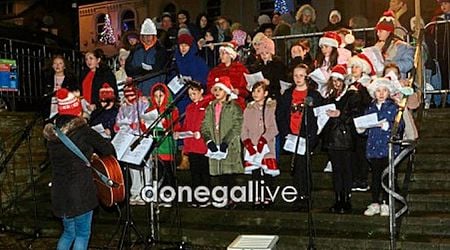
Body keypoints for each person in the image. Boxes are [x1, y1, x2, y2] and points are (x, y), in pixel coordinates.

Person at [43, 88, 115, 250]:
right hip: (80, 191)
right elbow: (108, 149)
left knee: (69, 233)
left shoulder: (52, 135)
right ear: (76, 110)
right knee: (82, 234)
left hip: (60, 192)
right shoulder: (83, 131)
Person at [276, 64, 322, 210]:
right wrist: (286, 133)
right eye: (296, 75)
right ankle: (298, 194)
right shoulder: (288, 94)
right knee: (296, 167)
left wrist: (312, 136)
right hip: (292, 135)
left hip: (307, 135)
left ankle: (306, 195)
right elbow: (280, 115)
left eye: (301, 75)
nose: (298, 78)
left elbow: (319, 117)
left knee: (304, 166)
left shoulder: (313, 95)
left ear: (307, 77)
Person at [360, 77, 403, 216]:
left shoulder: (393, 107)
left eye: (384, 90)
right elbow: (366, 127)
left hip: (387, 147)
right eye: (378, 90)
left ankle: (386, 202)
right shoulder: (370, 108)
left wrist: (388, 126)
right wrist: (362, 128)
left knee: (387, 176)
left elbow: (400, 126)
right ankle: (375, 202)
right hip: (373, 148)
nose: (381, 93)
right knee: (375, 177)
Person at [321, 65, 360, 213]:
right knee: (337, 171)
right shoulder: (330, 96)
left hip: (345, 138)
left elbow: (355, 115)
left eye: (339, 80)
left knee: (346, 170)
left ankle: (346, 199)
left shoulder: (352, 95)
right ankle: (338, 199)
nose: (336, 83)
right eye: (334, 80)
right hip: (332, 138)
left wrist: (340, 115)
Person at [201, 76, 243, 209]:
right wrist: (209, 141)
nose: (217, 92)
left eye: (220, 89)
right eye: (215, 89)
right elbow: (204, 126)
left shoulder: (234, 107)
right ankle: (223, 196)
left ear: (226, 91)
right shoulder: (210, 108)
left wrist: (225, 142)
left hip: (229, 144)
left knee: (229, 173)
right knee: (219, 174)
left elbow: (237, 126)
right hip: (215, 143)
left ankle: (232, 198)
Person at [173, 33, 210, 170]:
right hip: (180, 97)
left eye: (186, 45)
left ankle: (189, 157)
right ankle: (183, 157)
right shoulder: (175, 61)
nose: (183, 48)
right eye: (181, 45)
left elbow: (203, 77)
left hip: (193, 97)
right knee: (182, 125)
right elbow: (171, 75)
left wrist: (193, 82)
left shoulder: (197, 61)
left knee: (192, 126)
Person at [241, 81, 279, 208]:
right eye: (254, 91)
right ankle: (257, 195)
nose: (255, 94)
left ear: (265, 93)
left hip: (266, 146)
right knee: (255, 173)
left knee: (268, 172)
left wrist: (264, 139)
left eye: (259, 91)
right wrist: (247, 142)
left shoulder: (270, 108)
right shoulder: (248, 109)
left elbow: (273, 128)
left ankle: (268, 195)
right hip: (252, 145)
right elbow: (244, 128)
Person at [174, 82, 212, 207]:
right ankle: (197, 197)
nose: (192, 96)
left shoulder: (208, 104)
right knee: (194, 172)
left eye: (194, 93)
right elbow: (186, 125)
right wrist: (179, 133)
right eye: (190, 94)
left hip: (203, 144)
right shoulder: (189, 107)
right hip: (192, 144)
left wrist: (200, 133)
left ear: (201, 91)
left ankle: (207, 196)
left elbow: (210, 123)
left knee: (204, 172)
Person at [144, 83, 180, 207]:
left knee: (168, 171)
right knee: (157, 172)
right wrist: (144, 123)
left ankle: (171, 196)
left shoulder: (172, 110)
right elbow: (145, 129)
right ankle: (159, 196)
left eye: (161, 96)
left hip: (166, 143)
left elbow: (176, 126)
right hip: (155, 145)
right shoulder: (150, 110)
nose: (158, 99)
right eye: (155, 96)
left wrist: (165, 123)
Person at [114, 85, 149, 205]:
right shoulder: (123, 107)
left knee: (145, 166)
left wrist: (137, 125)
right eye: (126, 94)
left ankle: (146, 192)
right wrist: (119, 126)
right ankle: (135, 192)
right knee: (132, 168)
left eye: (132, 94)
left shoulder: (142, 104)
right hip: (128, 140)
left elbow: (146, 118)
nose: (129, 97)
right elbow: (118, 122)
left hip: (141, 138)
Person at [347, 53, 376, 192]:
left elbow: (368, 103)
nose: (354, 69)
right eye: (352, 66)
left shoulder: (367, 84)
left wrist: (359, 92)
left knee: (361, 152)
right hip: (351, 123)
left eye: (357, 66)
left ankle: (362, 179)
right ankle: (354, 179)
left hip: (362, 122)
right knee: (353, 153)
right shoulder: (349, 83)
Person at [125, 18, 167, 96]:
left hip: (154, 90)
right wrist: (141, 69)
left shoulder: (160, 50)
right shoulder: (136, 50)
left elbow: (159, 68)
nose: (147, 38)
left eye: (150, 35)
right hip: (138, 89)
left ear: (154, 36)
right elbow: (128, 68)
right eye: (145, 35)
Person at [206, 41, 249, 110]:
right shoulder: (215, 71)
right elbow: (209, 86)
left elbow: (246, 88)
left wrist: (238, 91)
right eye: (220, 53)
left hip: (235, 103)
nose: (221, 56)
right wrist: (213, 90)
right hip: (218, 102)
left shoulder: (241, 70)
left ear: (230, 55)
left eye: (224, 53)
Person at [372, 10, 414, 77]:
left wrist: (389, 65)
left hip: (397, 79)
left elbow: (408, 64)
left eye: (380, 31)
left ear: (388, 31)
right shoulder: (377, 46)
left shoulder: (402, 46)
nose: (378, 34)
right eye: (377, 31)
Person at [425, 0, 450, 106]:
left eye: (445, 3)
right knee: (444, 75)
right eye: (441, 4)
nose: (443, 6)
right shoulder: (437, 19)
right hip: (442, 53)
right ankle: (446, 100)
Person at [248, 36, 287, 101]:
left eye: (267, 53)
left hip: (273, 95)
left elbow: (282, 82)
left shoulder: (278, 65)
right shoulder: (257, 66)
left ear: (271, 53)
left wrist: (270, 83)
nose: (264, 55)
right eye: (262, 53)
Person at [79, 49, 118, 113]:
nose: (88, 61)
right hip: (85, 107)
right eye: (86, 59)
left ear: (98, 60)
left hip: (101, 109)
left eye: (91, 58)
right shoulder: (84, 73)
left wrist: (97, 105)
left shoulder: (106, 74)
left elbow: (112, 94)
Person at [42, 54, 78, 122]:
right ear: (52, 66)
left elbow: (75, 93)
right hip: (50, 110)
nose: (57, 65)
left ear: (64, 66)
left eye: (60, 63)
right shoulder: (47, 79)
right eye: (55, 63)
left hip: (65, 110)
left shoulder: (71, 79)